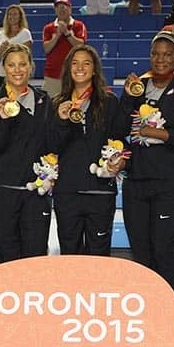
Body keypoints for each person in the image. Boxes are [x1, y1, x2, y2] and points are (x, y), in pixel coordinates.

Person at [118, 31, 174, 324]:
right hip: (137, 181)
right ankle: (150, 312)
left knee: (164, 249)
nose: (161, 59)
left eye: (167, 54)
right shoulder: (137, 88)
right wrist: (128, 98)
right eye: (156, 54)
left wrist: (158, 133)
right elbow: (119, 128)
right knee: (141, 251)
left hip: (171, 183)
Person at [0, 43, 53, 263]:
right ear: (4, 69)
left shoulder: (44, 101)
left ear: (31, 67)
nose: (17, 70)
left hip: (35, 195)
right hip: (2, 193)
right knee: (6, 260)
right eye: (11, 65)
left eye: (22, 64)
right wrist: (4, 122)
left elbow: (49, 143)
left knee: (35, 259)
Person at [51, 45, 124, 256]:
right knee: (70, 255)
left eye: (86, 63)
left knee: (99, 257)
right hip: (67, 192)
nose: (80, 68)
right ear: (68, 68)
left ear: (94, 69)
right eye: (75, 63)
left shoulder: (109, 102)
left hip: (100, 191)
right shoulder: (57, 103)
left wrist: (119, 161)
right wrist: (61, 121)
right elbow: (51, 146)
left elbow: (120, 141)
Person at [43, 0, 87, 98]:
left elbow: (81, 46)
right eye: (58, 8)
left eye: (64, 7)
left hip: (74, 73)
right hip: (53, 74)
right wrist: (57, 35)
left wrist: (67, 33)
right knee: (52, 102)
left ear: (70, 9)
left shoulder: (79, 25)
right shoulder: (48, 28)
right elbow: (46, 49)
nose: (61, 10)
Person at [0, 5, 32, 88]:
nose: (12, 17)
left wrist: (10, 49)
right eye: (10, 14)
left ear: (20, 17)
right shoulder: (0, 34)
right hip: (2, 73)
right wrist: (2, 51)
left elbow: (26, 55)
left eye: (15, 14)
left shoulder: (25, 33)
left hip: (18, 73)